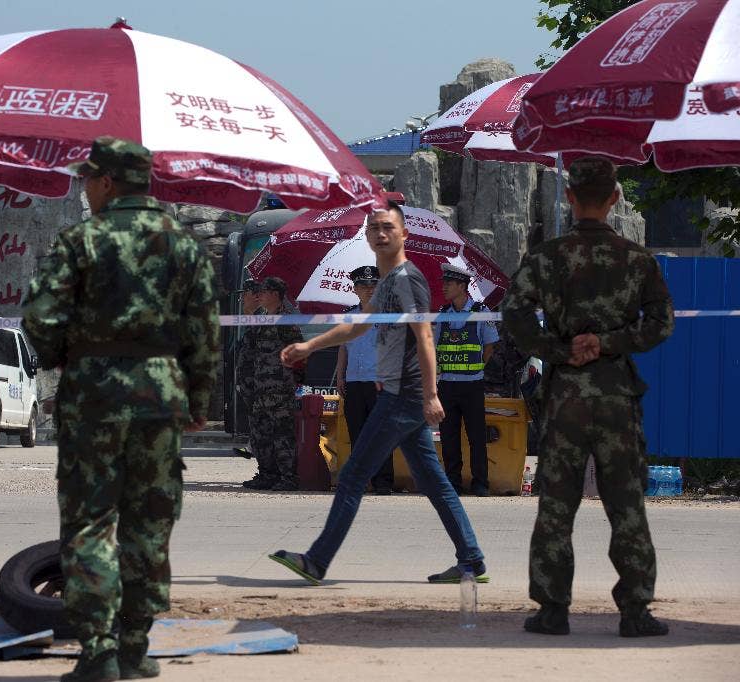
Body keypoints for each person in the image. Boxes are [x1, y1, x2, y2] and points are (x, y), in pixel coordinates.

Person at [22, 136, 220, 682]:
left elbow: (39, 315)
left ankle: (99, 651)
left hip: (93, 395)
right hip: (159, 394)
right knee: (149, 523)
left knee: (89, 525)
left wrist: (69, 357)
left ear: (108, 181)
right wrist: (198, 398)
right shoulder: (183, 244)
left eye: (89, 179)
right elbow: (203, 330)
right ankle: (135, 647)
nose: (85, 188)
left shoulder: (81, 240)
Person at [268, 198, 487, 585]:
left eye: (388, 228)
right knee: (434, 481)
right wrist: (309, 346)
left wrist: (431, 394)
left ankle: (317, 560)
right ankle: (471, 560)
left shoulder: (407, 281)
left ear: (403, 234)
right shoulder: (388, 283)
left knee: (353, 475)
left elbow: (425, 338)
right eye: (374, 229)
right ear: (367, 237)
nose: (381, 234)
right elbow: (356, 327)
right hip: (402, 393)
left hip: (404, 394)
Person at [503, 156, 674, 638]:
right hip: (617, 395)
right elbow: (661, 323)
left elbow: (514, 315)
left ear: (569, 198)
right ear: (616, 198)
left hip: (566, 397)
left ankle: (553, 610)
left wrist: (558, 350)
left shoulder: (546, 257)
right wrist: (610, 342)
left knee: (557, 504)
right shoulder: (638, 260)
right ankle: (636, 612)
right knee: (626, 504)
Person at [435, 263, 499, 496]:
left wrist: (478, 367)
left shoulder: (482, 311)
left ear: (461, 286)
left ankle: (480, 482)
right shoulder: (442, 315)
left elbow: (490, 346)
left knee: (476, 437)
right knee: (449, 437)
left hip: (472, 384)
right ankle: (452, 482)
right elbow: (433, 346)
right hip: (447, 385)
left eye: (448, 284)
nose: (444, 288)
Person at [239, 277, 303, 491]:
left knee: (282, 436)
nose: (259, 295)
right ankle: (266, 474)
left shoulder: (286, 322)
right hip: (259, 391)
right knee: (261, 436)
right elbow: (247, 347)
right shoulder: (262, 320)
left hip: (279, 391)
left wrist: (292, 381)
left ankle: (288, 477)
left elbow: (300, 354)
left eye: (264, 291)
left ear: (275, 294)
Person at [334, 265, 393, 495]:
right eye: (364, 286)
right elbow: (343, 347)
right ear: (355, 289)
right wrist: (340, 375)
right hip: (354, 381)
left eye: (373, 286)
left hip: (379, 382)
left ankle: (383, 482)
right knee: (357, 434)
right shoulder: (349, 315)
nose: (369, 290)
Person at [231, 279, 263, 461]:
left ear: (257, 296)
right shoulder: (252, 318)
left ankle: (262, 459)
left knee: (261, 419)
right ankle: (254, 449)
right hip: (250, 379)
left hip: (260, 379)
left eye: (245, 295)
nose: (242, 299)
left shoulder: (262, 318)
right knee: (256, 418)